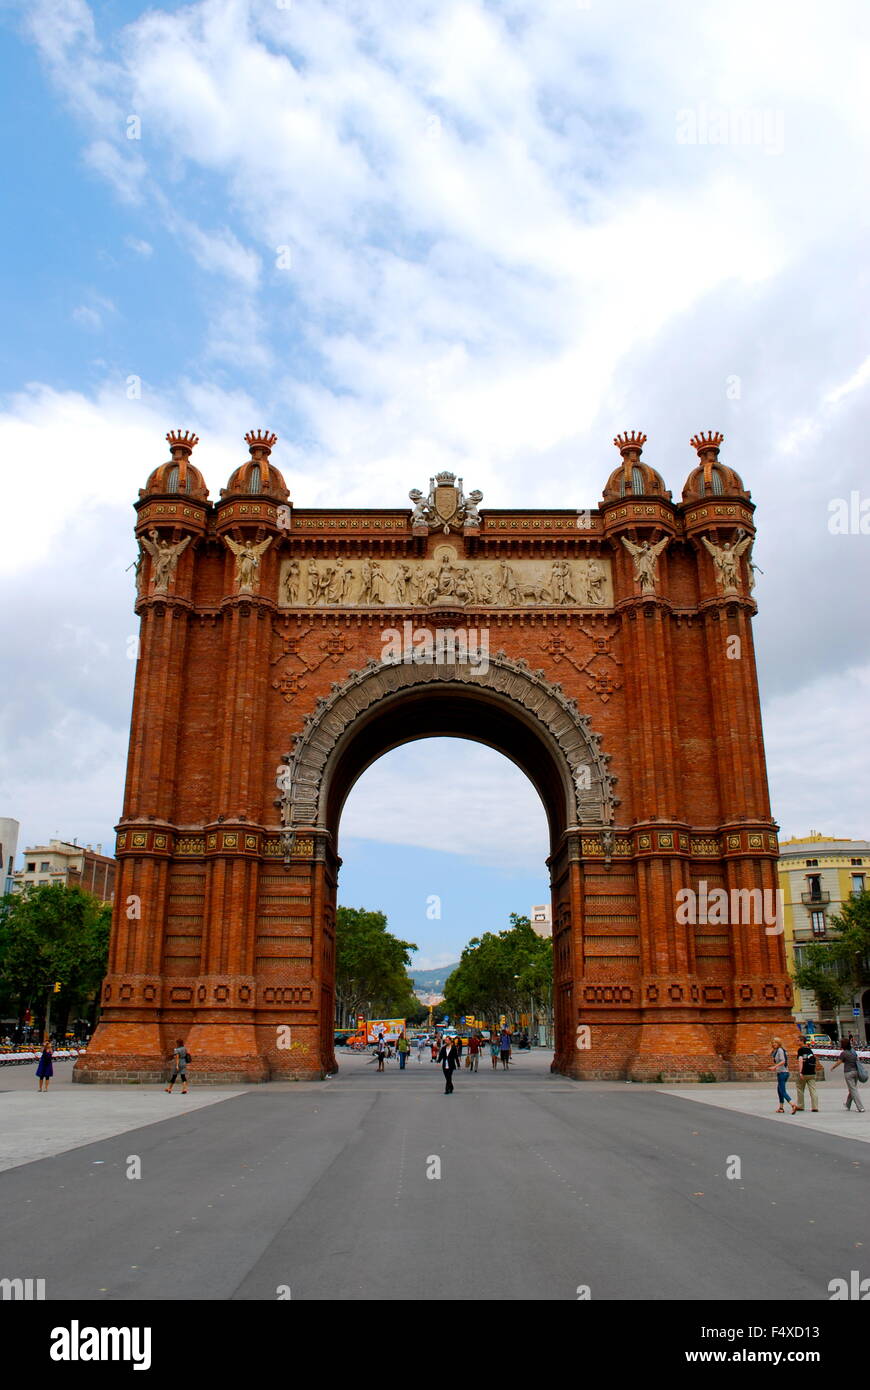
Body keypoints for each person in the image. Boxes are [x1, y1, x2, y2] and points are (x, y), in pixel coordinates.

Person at [831, 1039, 866, 1113]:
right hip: (856, 1072)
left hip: (848, 1073)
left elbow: (839, 1062)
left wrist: (833, 1067)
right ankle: (847, 1104)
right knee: (852, 1089)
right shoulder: (853, 1052)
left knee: (853, 1090)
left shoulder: (843, 1053)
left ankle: (860, 1107)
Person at [768, 1036, 795, 1113]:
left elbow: (783, 1061)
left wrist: (774, 1067)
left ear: (779, 1043)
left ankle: (792, 1104)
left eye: (775, 1042)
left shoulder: (780, 1050)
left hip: (783, 1073)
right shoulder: (777, 1051)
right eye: (773, 1043)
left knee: (782, 1090)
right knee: (779, 1090)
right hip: (781, 1072)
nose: (773, 1044)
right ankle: (781, 1108)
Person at [794, 1041, 819, 1113]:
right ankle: (815, 1107)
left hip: (804, 1072)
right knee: (813, 1090)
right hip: (812, 1073)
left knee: (800, 1088)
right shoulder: (809, 1050)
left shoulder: (800, 1050)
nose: (797, 1041)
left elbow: (800, 1061)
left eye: (798, 1040)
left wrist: (800, 1072)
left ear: (802, 1041)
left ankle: (800, 1105)